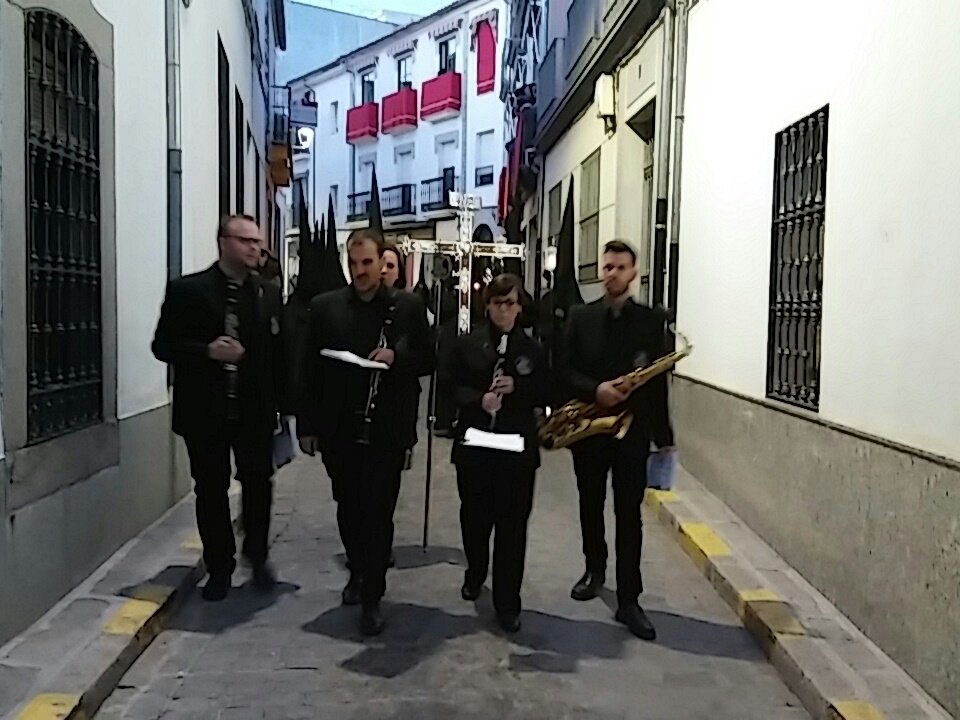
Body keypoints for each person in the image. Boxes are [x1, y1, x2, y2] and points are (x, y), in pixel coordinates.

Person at [297, 228, 433, 635]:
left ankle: (373, 595)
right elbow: (309, 370)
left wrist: (397, 355)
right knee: (348, 507)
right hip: (339, 427)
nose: (360, 271)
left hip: (387, 428)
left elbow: (429, 357)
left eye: (368, 263)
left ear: (381, 262)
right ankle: (357, 570)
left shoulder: (407, 307)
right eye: (353, 263)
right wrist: (307, 425)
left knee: (379, 511)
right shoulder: (325, 307)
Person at [152, 214, 289, 602]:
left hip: (253, 410)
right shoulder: (188, 291)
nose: (255, 248)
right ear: (224, 242)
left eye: (257, 241)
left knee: (259, 484)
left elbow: (278, 354)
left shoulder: (267, 293)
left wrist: (285, 406)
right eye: (246, 241)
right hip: (205, 411)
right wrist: (206, 351)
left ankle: (257, 556)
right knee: (211, 490)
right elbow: (163, 345)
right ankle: (219, 567)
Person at [559, 239, 675, 641]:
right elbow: (563, 370)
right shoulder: (580, 317)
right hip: (590, 429)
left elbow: (657, 384)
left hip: (631, 433)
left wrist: (664, 438)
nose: (612, 273)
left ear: (633, 272)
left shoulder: (650, 321)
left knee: (629, 515)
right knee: (590, 504)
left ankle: (629, 599)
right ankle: (594, 570)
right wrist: (596, 391)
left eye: (620, 267)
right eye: (607, 267)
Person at [444, 274, 547, 633]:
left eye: (510, 304)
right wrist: (479, 399)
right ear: (487, 306)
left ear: (519, 307)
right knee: (474, 520)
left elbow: (546, 390)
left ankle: (507, 602)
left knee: (513, 528)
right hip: (476, 447)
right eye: (497, 303)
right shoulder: (467, 345)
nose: (504, 311)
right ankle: (476, 570)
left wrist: (518, 387)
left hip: (515, 451)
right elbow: (449, 388)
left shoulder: (532, 349)